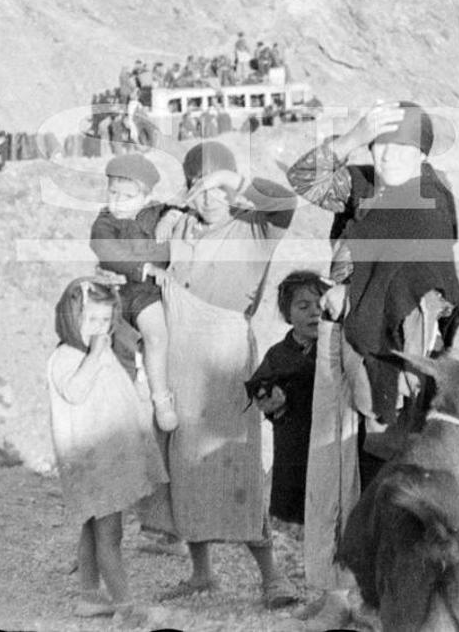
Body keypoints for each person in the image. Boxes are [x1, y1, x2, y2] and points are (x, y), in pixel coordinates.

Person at [154, 141, 300, 609]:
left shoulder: (255, 225)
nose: (209, 199)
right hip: (180, 350)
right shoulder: (177, 225)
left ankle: (271, 576)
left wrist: (231, 183)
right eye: (200, 188)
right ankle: (202, 573)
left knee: (236, 457)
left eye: (218, 189)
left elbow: (286, 198)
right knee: (185, 460)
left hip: (227, 352)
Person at [287, 101, 459, 468]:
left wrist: (350, 296)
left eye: (401, 148)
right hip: (349, 340)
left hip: (396, 357)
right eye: (379, 145)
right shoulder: (365, 187)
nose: (388, 156)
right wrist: (354, 136)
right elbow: (303, 178)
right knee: (346, 457)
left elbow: (416, 293)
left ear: (421, 155)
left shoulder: (427, 206)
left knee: (384, 460)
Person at [47, 278, 164, 623]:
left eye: (105, 321)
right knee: (110, 535)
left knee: (92, 528)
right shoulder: (67, 357)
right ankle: (126, 605)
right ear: (71, 319)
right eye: (91, 320)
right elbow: (75, 391)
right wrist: (98, 354)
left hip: (105, 459)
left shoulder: (95, 353)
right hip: (94, 464)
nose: (100, 329)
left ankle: (89, 595)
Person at [87, 154, 179, 431]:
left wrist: (172, 217)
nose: (117, 201)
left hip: (156, 289)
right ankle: (160, 399)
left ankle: (151, 384)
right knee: (154, 333)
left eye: (127, 196)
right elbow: (105, 250)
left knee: (160, 338)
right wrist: (146, 268)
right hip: (130, 290)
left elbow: (186, 209)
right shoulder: (105, 222)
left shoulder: (156, 212)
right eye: (113, 193)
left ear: (145, 197)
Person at [245, 271, 328, 527]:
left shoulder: (333, 349)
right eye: (303, 306)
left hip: (326, 438)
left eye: (321, 306)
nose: (315, 313)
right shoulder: (279, 353)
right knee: (297, 504)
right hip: (293, 440)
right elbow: (260, 386)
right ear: (287, 314)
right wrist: (270, 401)